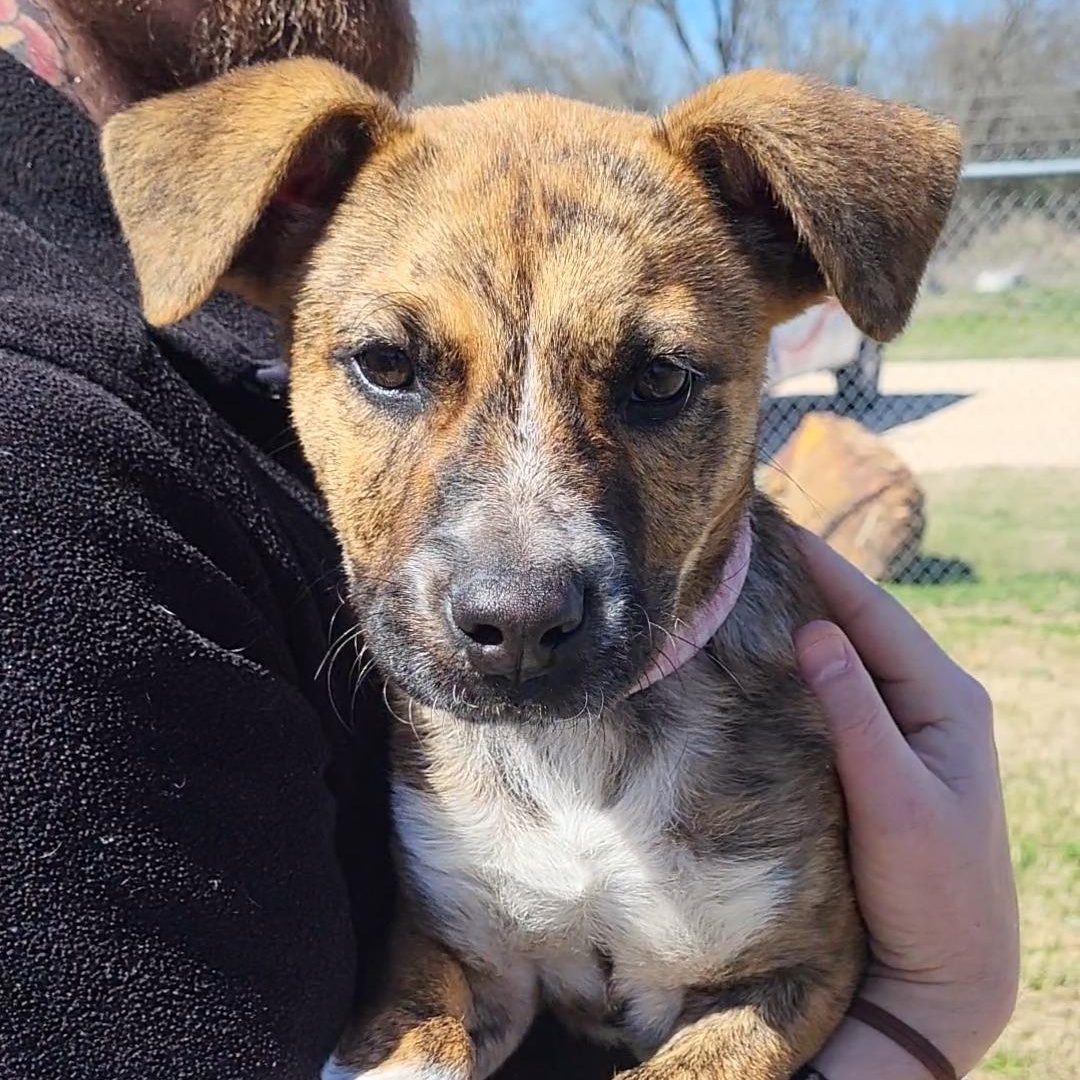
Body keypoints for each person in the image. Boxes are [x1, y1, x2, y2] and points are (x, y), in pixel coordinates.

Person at [0, 4, 1017, 1079]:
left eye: (656, 381)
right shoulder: (50, 456)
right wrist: (933, 1015)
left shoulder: (787, 735)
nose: (519, 582)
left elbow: (794, 968)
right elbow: (454, 964)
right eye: (391, 366)